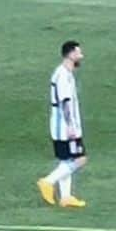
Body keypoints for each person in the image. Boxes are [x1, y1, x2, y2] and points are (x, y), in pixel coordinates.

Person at [36, 40, 87, 209]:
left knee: (66, 161)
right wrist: (70, 126)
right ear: (71, 54)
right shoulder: (63, 75)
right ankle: (47, 181)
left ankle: (65, 197)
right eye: (79, 53)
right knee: (80, 159)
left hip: (63, 127)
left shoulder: (64, 73)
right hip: (65, 128)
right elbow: (64, 102)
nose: (81, 56)